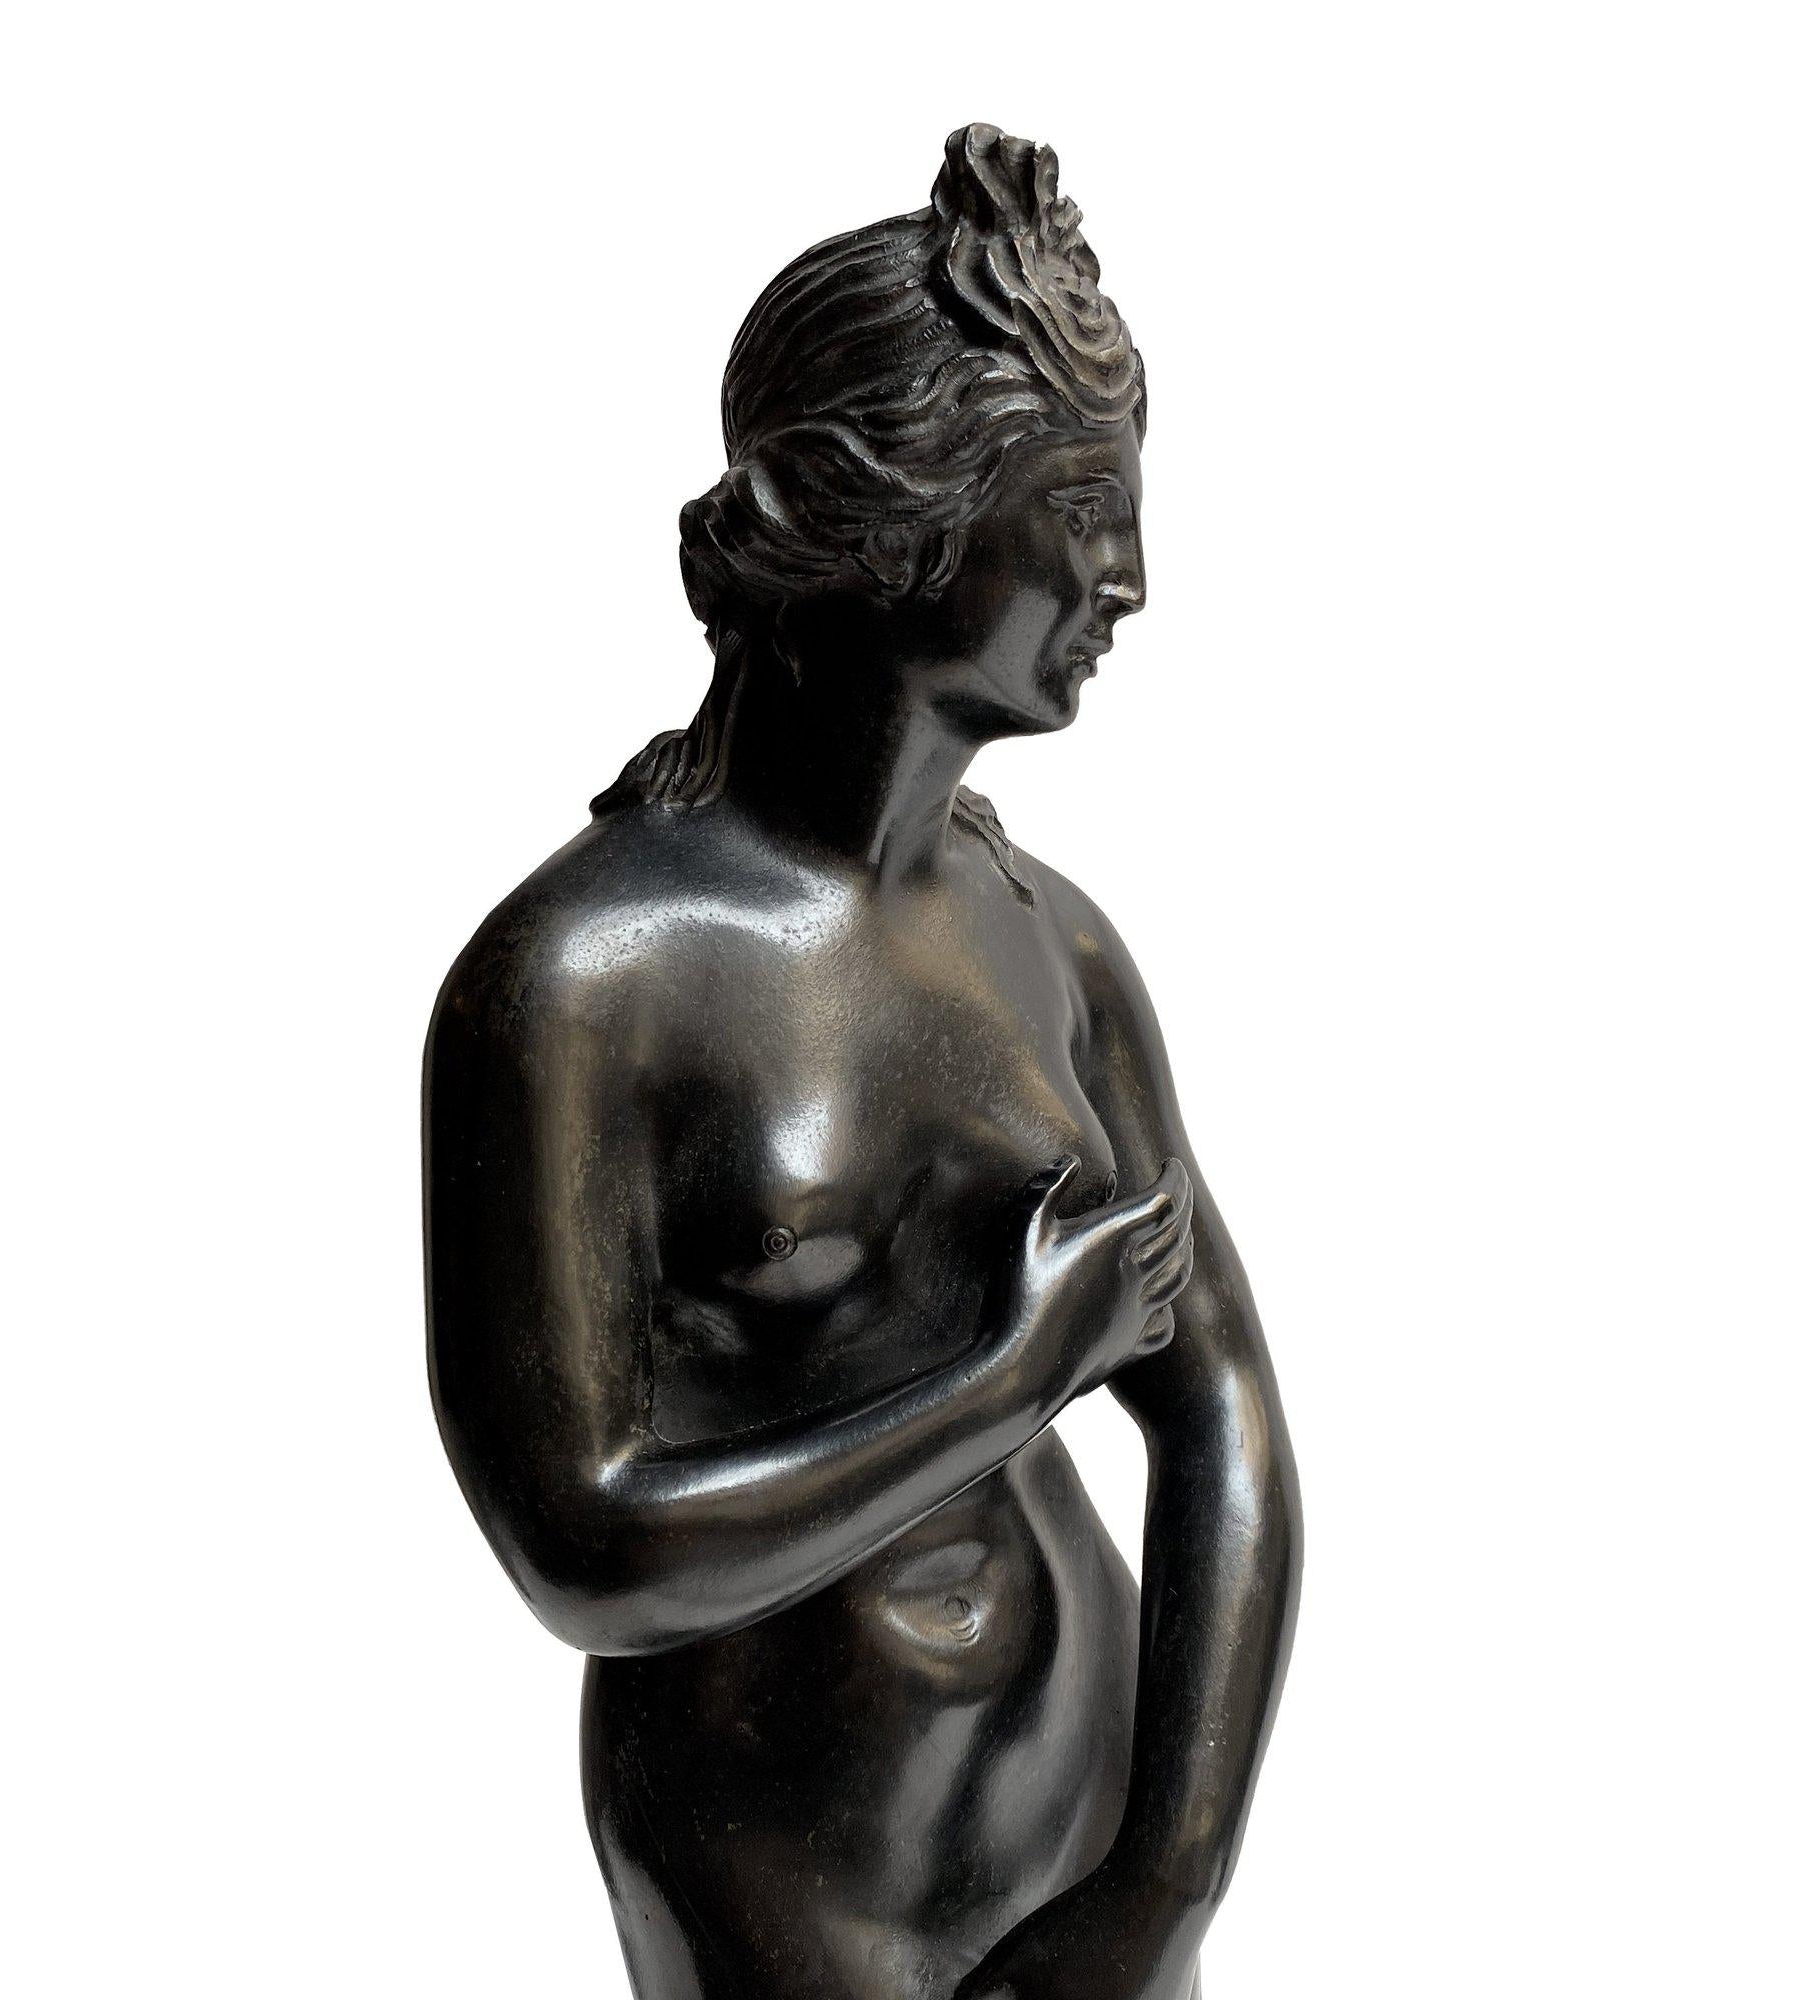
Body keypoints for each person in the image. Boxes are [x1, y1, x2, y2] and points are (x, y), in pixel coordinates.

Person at [425, 124, 1301, 2000]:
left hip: (1090, 1805)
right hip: (781, 1869)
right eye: (1080, 511)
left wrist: (1171, 1878)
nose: (1131, 577)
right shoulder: (583, 990)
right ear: (896, 516)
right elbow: (584, 1550)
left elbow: (1221, 1407)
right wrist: (1013, 1376)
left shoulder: (1052, 944)